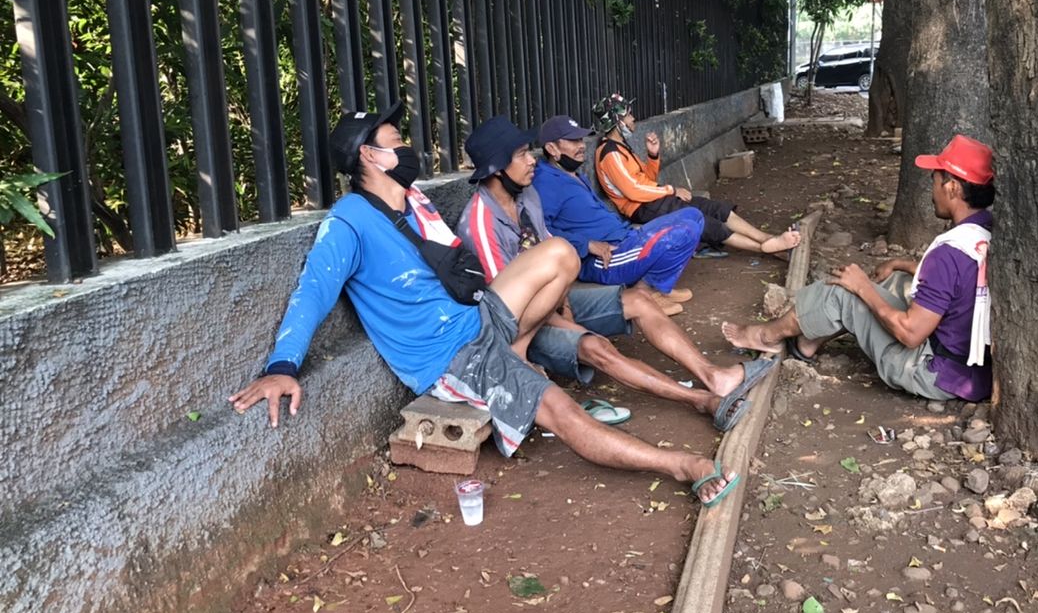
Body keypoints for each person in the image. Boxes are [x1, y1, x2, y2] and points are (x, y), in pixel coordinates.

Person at [228, 104, 740, 507]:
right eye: (395, 142)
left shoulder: (414, 201)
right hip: (454, 356)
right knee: (558, 410)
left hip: (478, 316)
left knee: (558, 254)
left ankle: (519, 351)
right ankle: (682, 465)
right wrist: (282, 366)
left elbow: (463, 269)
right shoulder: (347, 223)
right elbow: (312, 291)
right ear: (368, 156)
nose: (405, 148)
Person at [456, 116, 774, 432]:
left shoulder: (527, 196)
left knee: (639, 300)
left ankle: (713, 376)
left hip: (553, 298)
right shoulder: (481, 223)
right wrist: (569, 323)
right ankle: (698, 399)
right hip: (520, 327)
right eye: (522, 154)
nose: (532, 160)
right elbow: (508, 313)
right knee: (595, 346)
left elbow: (547, 244)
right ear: (497, 168)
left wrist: (564, 297)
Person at [720, 134, 995, 403]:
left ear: (953, 188)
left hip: (932, 372)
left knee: (842, 292)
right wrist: (900, 264)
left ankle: (767, 335)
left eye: (934, 179)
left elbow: (911, 334)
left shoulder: (947, 254)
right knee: (897, 279)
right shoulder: (986, 231)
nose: (931, 189)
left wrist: (862, 287)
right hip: (971, 371)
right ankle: (807, 343)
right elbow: (957, 283)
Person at [591, 93, 801, 258]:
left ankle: (767, 238)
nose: (633, 118)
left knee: (714, 208)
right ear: (617, 122)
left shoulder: (621, 147)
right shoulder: (610, 154)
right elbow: (633, 190)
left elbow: (647, 179)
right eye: (628, 115)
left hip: (654, 200)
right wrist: (671, 190)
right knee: (702, 220)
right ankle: (764, 248)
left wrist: (653, 155)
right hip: (642, 208)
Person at [532, 114, 703, 315]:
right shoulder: (545, 183)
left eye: (580, 139)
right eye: (573, 141)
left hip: (624, 237)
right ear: (552, 148)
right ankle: (645, 293)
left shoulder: (573, 173)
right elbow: (540, 231)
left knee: (693, 215)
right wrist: (586, 244)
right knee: (684, 232)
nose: (581, 146)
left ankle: (656, 289)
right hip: (603, 257)